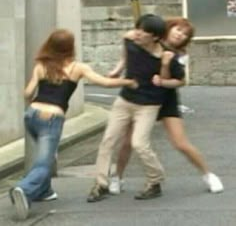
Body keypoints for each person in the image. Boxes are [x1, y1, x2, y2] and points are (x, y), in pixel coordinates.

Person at [8, 29, 137, 220]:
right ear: (70, 47)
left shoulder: (41, 65)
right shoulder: (77, 68)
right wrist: (128, 82)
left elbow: (27, 94)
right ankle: (23, 189)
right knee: (45, 161)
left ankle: (44, 191)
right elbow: (105, 83)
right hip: (52, 118)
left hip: (32, 115)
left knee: (46, 156)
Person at [108, 17, 224, 195]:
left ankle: (208, 175)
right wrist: (118, 69)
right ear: (168, 29)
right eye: (178, 29)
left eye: (185, 34)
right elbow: (129, 50)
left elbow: (178, 81)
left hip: (166, 99)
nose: (180, 35)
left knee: (180, 143)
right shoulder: (149, 39)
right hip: (141, 97)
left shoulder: (179, 56)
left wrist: (163, 74)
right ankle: (117, 178)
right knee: (128, 142)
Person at [87, 14, 185, 203]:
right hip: (125, 101)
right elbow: (126, 45)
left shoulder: (167, 56)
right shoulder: (132, 42)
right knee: (108, 141)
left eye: (143, 31)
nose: (137, 34)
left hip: (148, 105)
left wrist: (164, 80)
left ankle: (155, 181)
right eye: (137, 29)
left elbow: (181, 81)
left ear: (155, 37)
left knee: (139, 144)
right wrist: (118, 68)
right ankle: (101, 185)